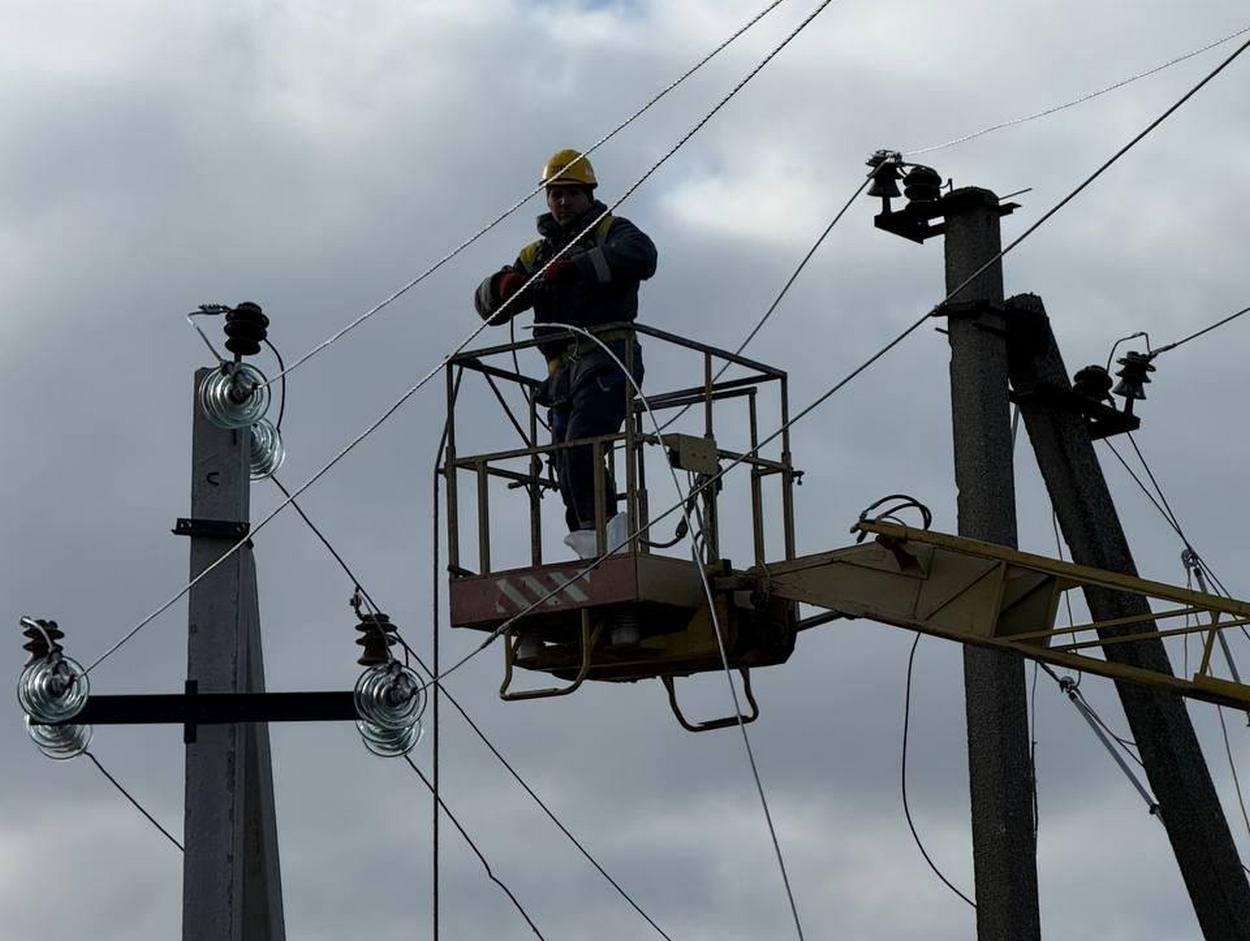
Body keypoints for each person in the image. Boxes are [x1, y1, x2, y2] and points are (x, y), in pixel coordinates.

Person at [474, 148, 657, 559]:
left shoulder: (613, 230)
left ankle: (603, 536)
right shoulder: (536, 254)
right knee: (565, 458)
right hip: (561, 373)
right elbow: (489, 306)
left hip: (608, 357)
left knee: (581, 446)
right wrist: (504, 286)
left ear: (588, 194)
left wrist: (577, 267)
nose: (562, 202)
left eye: (571, 193)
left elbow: (643, 257)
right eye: (555, 194)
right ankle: (597, 538)